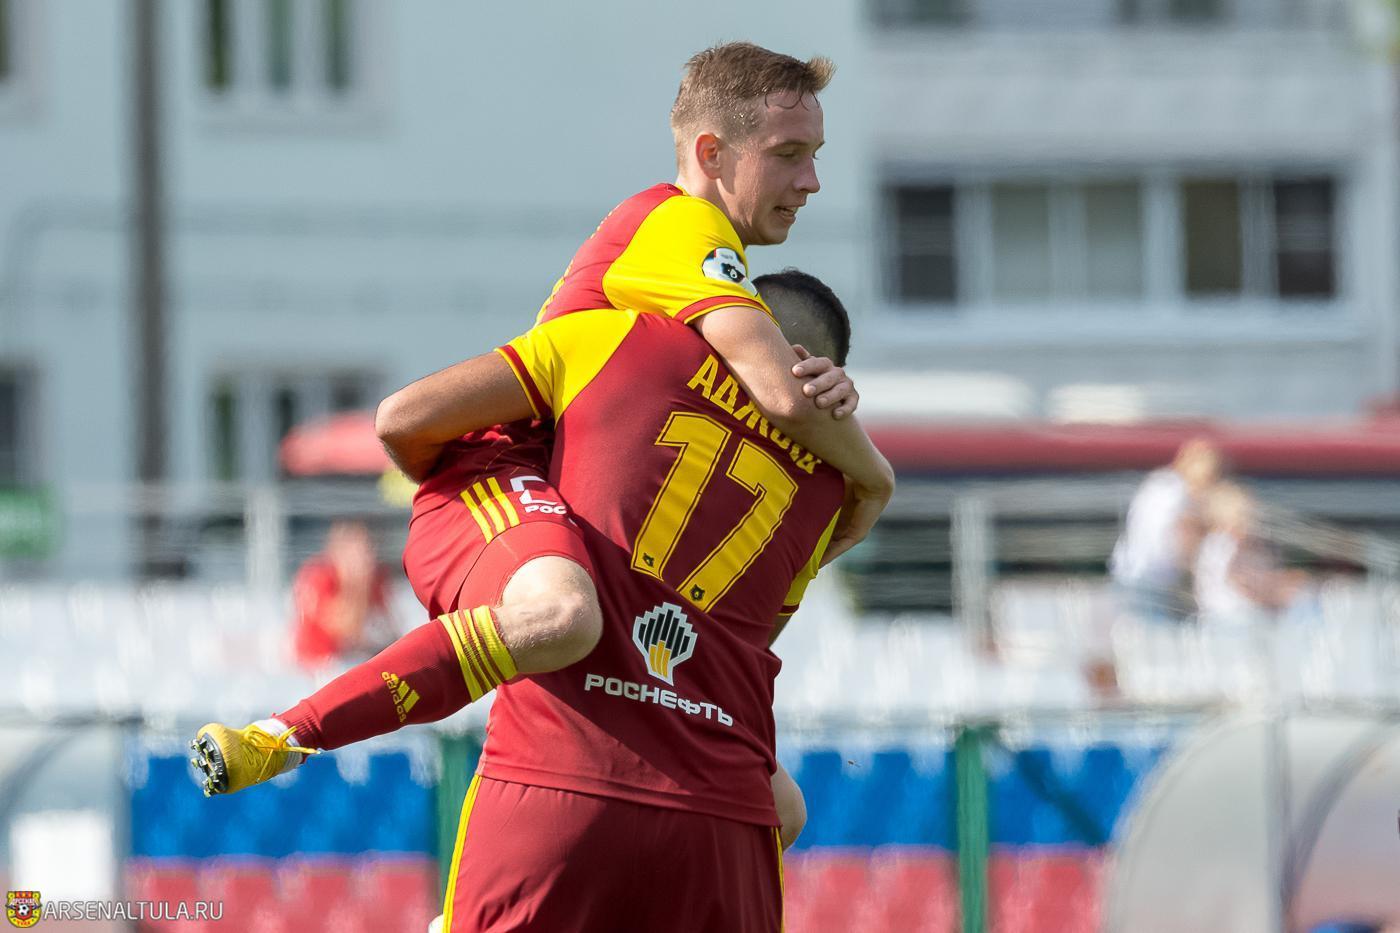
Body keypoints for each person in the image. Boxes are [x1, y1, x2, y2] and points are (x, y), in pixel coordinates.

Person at [195, 271, 859, 933]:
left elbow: (400, 419)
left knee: (561, 617)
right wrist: (870, 474)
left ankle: (286, 734)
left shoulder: (636, 345)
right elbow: (749, 635)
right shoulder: (831, 488)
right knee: (783, 808)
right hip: (719, 804)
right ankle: (286, 735)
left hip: (566, 762)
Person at [1110, 437, 1224, 622]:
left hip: (1134, 576)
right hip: (1150, 583)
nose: (1209, 480)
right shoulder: (1177, 493)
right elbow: (1180, 542)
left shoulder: (1159, 484)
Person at [290, 520, 393, 669]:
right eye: (358, 549)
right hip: (316, 664)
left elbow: (389, 629)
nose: (366, 556)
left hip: (350, 660)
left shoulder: (375, 580)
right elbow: (345, 629)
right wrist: (358, 586)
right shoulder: (319, 577)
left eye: (368, 548)